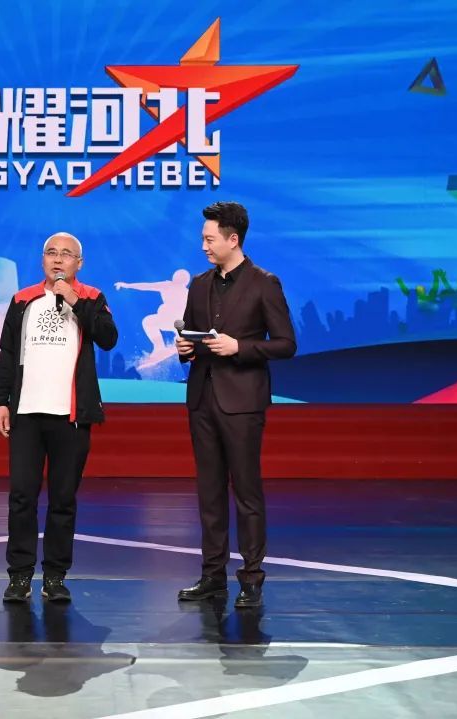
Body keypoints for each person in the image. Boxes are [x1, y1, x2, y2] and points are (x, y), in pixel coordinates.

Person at [175, 201, 297, 609]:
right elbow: (194, 338)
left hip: (242, 401)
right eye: (203, 239)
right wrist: (185, 349)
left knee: (246, 491)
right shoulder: (198, 284)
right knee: (209, 492)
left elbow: (286, 344)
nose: (204, 246)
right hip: (202, 397)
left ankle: (251, 578)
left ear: (233, 239)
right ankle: (212, 576)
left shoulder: (265, 283)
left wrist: (239, 347)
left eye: (210, 239)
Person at [0, 232, 118, 603]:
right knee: (22, 497)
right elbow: (7, 353)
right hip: (27, 414)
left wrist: (75, 301)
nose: (58, 260)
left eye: (66, 254)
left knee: (63, 500)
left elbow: (108, 337)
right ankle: (19, 576)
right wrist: (1, 401)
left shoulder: (92, 297)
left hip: (71, 417)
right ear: (42, 259)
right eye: (51, 253)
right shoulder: (23, 299)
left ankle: (55, 577)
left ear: (79, 263)